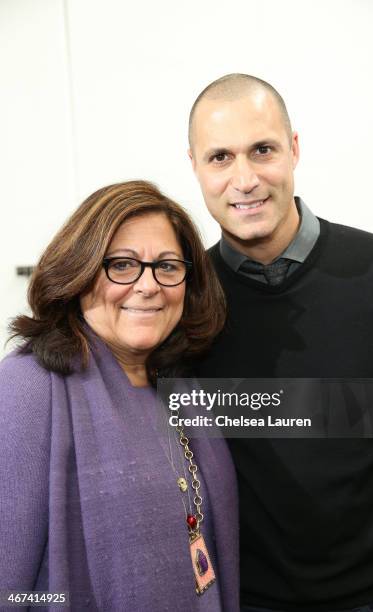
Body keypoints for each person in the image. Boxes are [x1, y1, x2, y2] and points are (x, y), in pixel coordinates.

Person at [188, 73, 373, 611]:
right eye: (220, 157)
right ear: (194, 166)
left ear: (293, 150)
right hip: (244, 600)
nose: (244, 179)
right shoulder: (179, 304)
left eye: (261, 150)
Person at [0, 180, 239, 612]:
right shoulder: (27, 389)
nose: (148, 286)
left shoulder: (181, 386)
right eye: (123, 265)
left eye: (167, 266)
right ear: (80, 270)